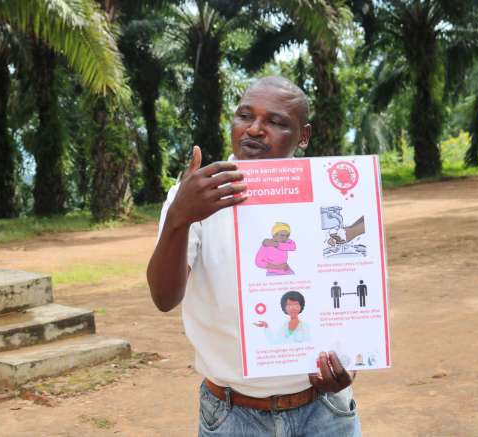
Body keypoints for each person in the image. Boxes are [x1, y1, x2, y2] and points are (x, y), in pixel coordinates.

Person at [147, 76, 360, 436]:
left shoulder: (328, 195)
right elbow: (164, 298)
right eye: (245, 116)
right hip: (233, 413)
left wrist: (347, 365)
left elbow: (347, 289)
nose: (255, 129)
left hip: (324, 410)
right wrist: (178, 217)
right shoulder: (198, 195)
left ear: (303, 136)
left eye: (275, 121)